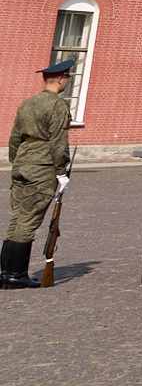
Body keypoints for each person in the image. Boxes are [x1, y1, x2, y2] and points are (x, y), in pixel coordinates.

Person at [4, 60, 75, 289]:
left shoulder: (28, 103)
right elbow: (58, 141)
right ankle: (15, 275)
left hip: (23, 163)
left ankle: (6, 272)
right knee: (29, 219)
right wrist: (61, 170)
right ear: (61, 80)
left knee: (17, 218)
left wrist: (17, 160)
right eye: (67, 79)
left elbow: (15, 137)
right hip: (42, 165)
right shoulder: (57, 105)